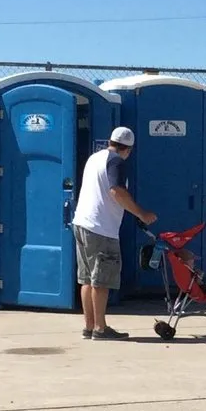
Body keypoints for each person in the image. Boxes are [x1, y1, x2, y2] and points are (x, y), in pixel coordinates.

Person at [72, 127, 157, 341]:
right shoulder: (116, 161)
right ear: (128, 148)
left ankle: (89, 326)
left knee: (86, 279)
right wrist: (141, 213)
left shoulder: (94, 158)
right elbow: (116, 191)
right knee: (101, 279)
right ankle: (101, 329)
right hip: (101, 228)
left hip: (82, 223)